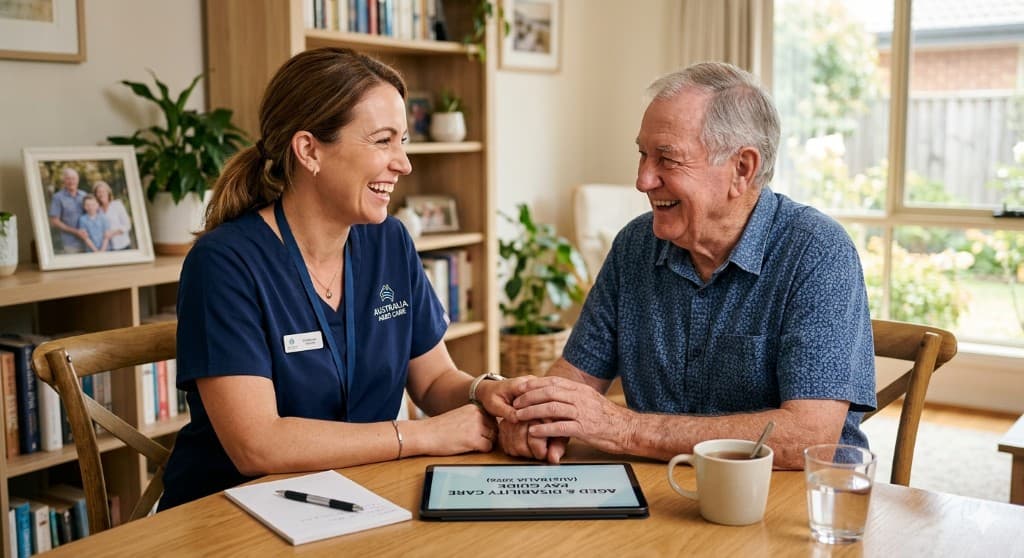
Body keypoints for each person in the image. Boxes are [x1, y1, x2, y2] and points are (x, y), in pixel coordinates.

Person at [159, 47, 522, 510]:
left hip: (357, 498)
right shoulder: (224, 263)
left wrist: (483, 391)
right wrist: (419, 435)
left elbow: (433, 382)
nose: (403, 163)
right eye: (382, 141)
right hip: (233, 513)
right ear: (309, 150)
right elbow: (257, 445)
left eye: (403, 140)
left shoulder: (390, 241)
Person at [499, 62, 876, 469]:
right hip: (661, 497)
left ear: (742, 169)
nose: (643, 180)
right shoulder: (635, 246)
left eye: (667, 160)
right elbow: (573, 379)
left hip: (788, 506)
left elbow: (806, 436)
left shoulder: (817, 251)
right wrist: (536, 417)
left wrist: (624, 429)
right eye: (643, 155)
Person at [48, 167, 88, 253]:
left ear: (78, 180)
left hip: (87, 241)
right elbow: (54, 221)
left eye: (73, 178)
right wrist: (76, 232)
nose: (71, 181)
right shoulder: (58, 197)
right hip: (69, 243)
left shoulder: (84, 195)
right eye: (68, 179)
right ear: (64, 181)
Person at [93, 181, 133, 250]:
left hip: (122, 244)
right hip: (106, 248)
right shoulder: (97, 209)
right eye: (98, 192)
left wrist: (112, 233)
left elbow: (127, 225)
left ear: (108, 192)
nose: (101, 194)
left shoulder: (117, 204)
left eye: (103, 191)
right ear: (96, 195)